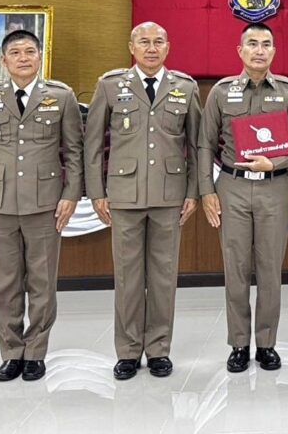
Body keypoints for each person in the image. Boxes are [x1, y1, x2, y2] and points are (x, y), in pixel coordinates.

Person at [0, 29, 83, 382]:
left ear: (40, 56)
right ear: (4, 60)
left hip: (45, 203)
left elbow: (73, 152)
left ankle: (35, 352)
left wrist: (70, 194)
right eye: (15, 52)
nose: (23, 58)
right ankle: (11, 352)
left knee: (42, 282)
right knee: (5, 283)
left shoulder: (60, 96)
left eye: (30, 51)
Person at [84, 22, 201, 380]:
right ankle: (128, 351)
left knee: (164, 276)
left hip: (169, 195)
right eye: (144, 42)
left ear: (168, 47)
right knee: (128, 276)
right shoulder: (110, 85)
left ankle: (159, 349)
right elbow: (92, 144)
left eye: (158, 42)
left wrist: (193, 191)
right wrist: (97, 192)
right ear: (131, 47)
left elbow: (196, 145)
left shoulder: (185, 87)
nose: (151, 48)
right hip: (124, 195)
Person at [198, 22, 288, 373]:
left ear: (274, 50)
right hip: (232, 187)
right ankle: (238, 344)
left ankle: (266, 344)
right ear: (240, 50)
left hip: (274, 187)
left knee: (270, 270)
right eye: (253, 44)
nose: (260, 50)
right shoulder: (221, 92)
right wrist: (206, 190)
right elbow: (205, 143)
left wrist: (275, 162)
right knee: (235, 270)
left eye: (266, 44)